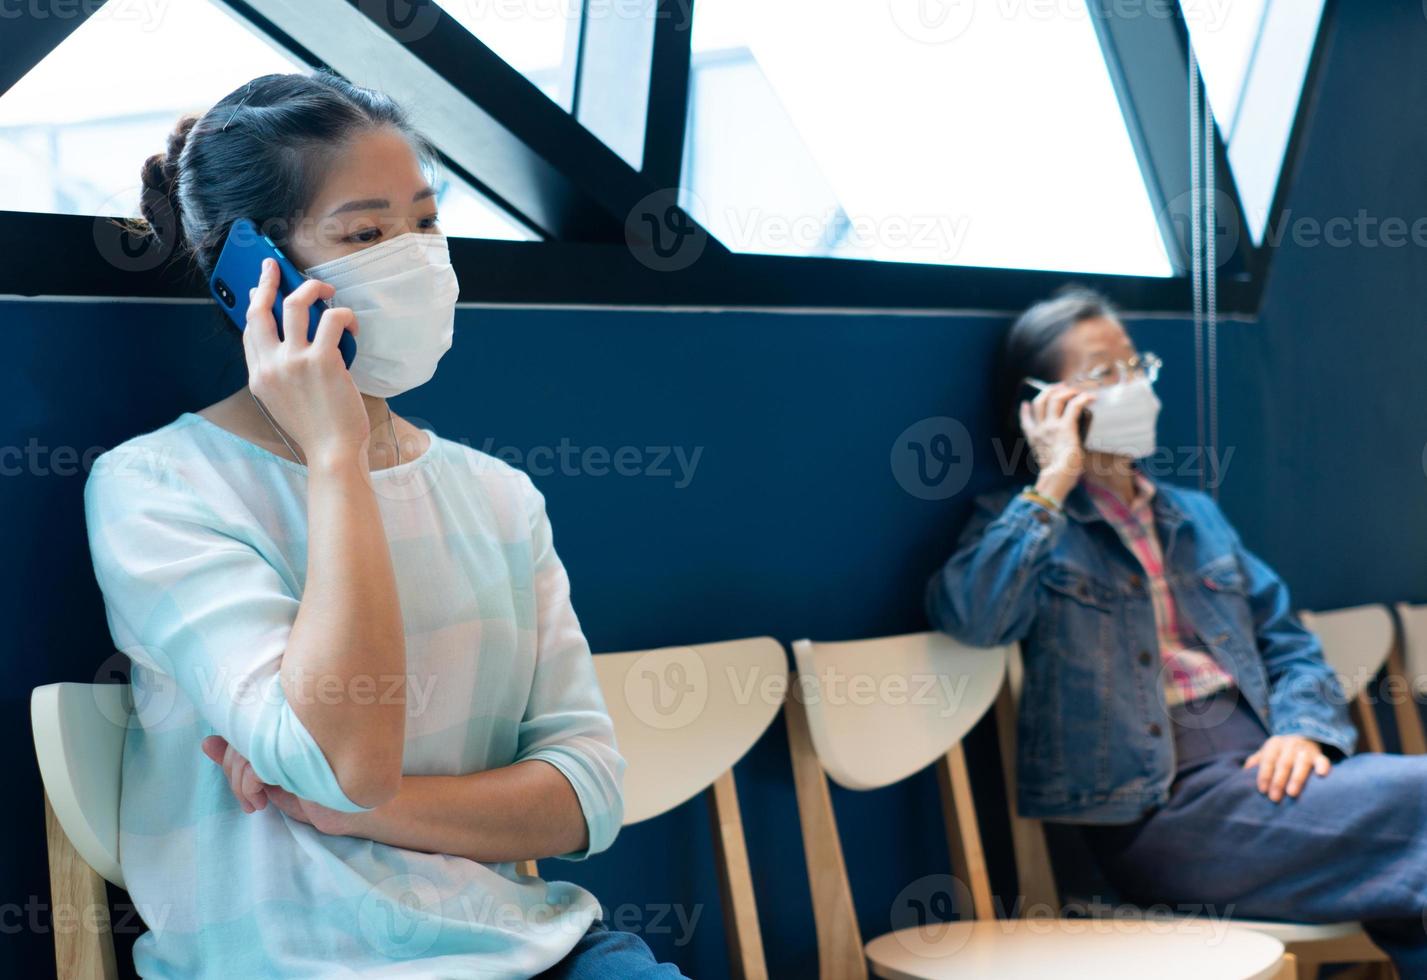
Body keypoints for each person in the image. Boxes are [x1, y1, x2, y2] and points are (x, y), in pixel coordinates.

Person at [83, 70, 686, 979]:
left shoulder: (500, 497)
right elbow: (343, 757)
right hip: (297, 962)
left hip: (538, 949)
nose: (413, 255)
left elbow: (585, 796)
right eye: (365, 232)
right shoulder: (157, 488)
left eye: (426, 221)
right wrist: (337, 455)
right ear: (252, 269)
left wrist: (356, 812)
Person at [925, 286, 1427, 974]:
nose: (1132, 387)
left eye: (1136, 366)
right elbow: (974, 619)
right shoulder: (1024, 524)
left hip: (1266, 777)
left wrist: (1302, 729)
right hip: (1155, 813)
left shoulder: (1195, 515)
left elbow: (1288, 644)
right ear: (1045, 402)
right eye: (1103, 373)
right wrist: (1053, 480)